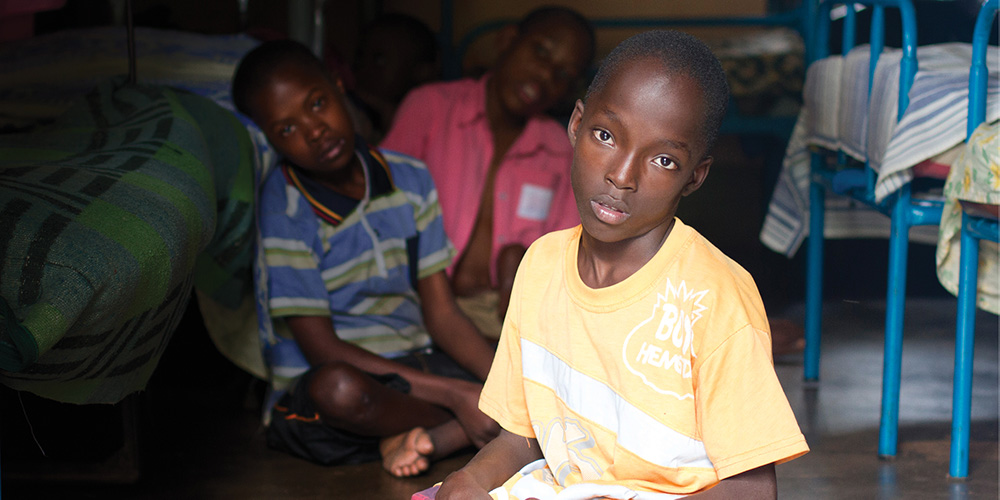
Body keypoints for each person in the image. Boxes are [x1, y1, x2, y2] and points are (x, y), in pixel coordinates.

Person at [431, 30, 809, 499]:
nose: (622, 175)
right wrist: (467, 482)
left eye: (664, 160)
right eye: (606, 136)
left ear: (696, 177)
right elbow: (521, 436)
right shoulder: (541, 266)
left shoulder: (716, 296)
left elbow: (751, 489)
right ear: (575, 124)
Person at [230, 39, 499, 478]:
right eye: (287, 130)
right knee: (338, 391)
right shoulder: (285, 207)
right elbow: (322, 349)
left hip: (420, 363)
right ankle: (467, 424)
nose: (314, 131)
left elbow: (443, 314)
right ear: (267, 137)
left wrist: (509, 383)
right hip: (351, 383)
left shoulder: (410, 178)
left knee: (522, 362)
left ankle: (429, 435)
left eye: (317, 104)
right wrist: (455, 395)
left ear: (338, 87)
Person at [380, 6, 596, 340]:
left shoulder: (562, 149)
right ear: (508, 40)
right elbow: (380, 209)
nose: (544, 76)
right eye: (540, 52)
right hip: (417, 299)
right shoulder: (431, 108)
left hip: (504, 313)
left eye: (563, 75)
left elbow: (563, 255)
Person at [351, 13, 441, 144]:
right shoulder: (352, 114)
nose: (365, 68)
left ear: (422, 71)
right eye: (360, 57)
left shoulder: (436, 125)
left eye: (379, 60)